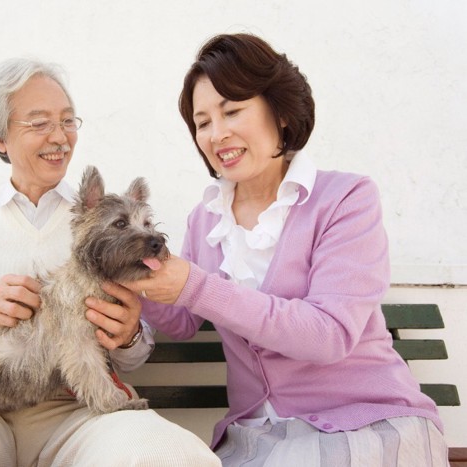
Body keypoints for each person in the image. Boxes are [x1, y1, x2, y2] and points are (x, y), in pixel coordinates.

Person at [0, 58, 221, 466]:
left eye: (67, 121)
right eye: (39, 122)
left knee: (163, 453)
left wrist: (130, 334)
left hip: (77, 411)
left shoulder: (109, 224)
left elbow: (133, 355)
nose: (60, 137)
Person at [123, 33, 449, 466]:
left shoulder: (345, 199)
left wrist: (196, 286)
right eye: (202, 122)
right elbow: (183, 320)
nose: (217, 133)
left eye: (232, 110)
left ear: (277, 111)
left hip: (365, 425)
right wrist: (131, 277)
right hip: (259, 438)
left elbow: (329, 335)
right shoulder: (207, 219)